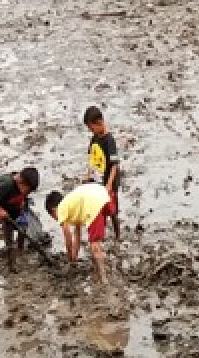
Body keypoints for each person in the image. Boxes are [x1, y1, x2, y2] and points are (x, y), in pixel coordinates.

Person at [45, 184, 111, 281]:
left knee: (94, 244)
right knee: (96, 240)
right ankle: (100, 268)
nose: (56, 219)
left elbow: (68, 238)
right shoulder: (73, 206)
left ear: (54, 210)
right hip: (103, 196)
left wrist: (69, 259)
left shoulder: (61, 208)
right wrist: (74, 258)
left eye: (53, 217)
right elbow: (77, 236)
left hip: (93, 203)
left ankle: (103, 278)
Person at [0, 167, 40, 270]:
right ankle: (11, 262)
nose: (27, 193)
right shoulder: (6, 185)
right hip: (6, 212)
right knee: (9, 235)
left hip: (18, 208)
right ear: (20, 182)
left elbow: (24, 196)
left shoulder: (22, 188)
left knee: (23, 228)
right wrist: (0, 210)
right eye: (27, 190)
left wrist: (23, 201)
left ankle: (20, 251)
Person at [83, 106, 121, 241]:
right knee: (99, 206)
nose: (91, 131)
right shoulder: (95, 138)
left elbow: (115, 164)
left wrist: (109, 184)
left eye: (92, 128)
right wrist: (88, 175)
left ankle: (117, 235)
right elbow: (92, 157)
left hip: (110, 177)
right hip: (99, 176)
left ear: (99, 123)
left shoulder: (109, 140)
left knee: (112, 209)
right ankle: (101, 233)